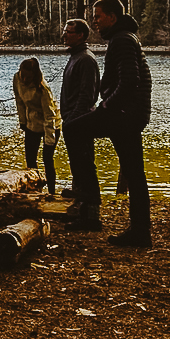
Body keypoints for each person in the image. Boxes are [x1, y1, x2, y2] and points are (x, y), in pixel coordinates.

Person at [63, 0, 153, 247]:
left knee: (72, 129)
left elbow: (130, 80)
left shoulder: (122, 40)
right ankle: (140, 232)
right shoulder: (125, 38)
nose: (95, 21)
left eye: (99, 16)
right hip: (130, 113)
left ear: (112, 17)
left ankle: (87, 194)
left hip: (123, 114)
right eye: (94, 16)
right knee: (135, 173)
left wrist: (107, 105)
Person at [59, 18, 101, 207]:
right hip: (72, 122)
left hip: (80, 123)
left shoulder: (85, 59)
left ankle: (91, 215)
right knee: (78, 168)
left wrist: (73, 120)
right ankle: (80, 208)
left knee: (85, 167)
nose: (64, 35)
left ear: (81, 35)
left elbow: (87, 96)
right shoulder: (76, 57)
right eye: (65, 31)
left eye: (69, 32)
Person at [12, 57, 61, 195]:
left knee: (47, 158)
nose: (25, 80)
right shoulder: (17, 79)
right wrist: (23, 121)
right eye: (23, 76)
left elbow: (49, 116)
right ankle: (34, 191)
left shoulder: (43, 89)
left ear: (34, 76)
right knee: (30, 159)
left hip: (50, 124)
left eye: (29, 77)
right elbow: (19, 101)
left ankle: (52, 192)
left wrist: (49, 141)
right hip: (32, 122)